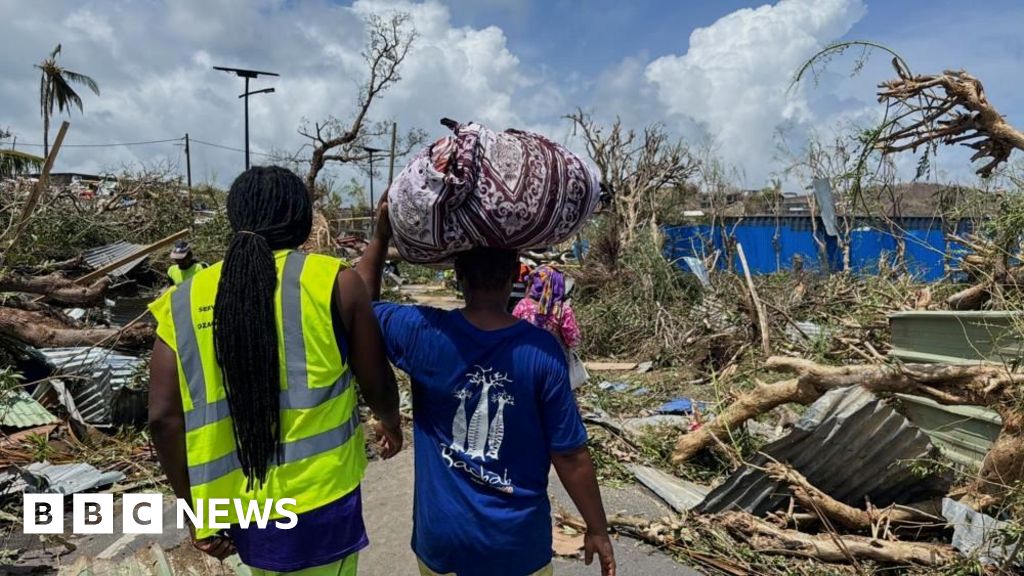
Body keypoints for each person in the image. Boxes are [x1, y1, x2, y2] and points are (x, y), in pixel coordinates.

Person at [148, 167, 402, 575]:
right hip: (322, 498)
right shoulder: (331, 281)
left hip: (240, 507)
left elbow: (163, 420)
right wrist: (390, 421)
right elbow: (377, 382)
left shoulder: (182, 302)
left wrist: (197, 512)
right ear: (302, 220)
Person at [356, 199, 616, 576]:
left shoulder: (423, 332)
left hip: (443, 541)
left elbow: (360, 307)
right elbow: (571, 457)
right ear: (516, 274)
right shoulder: (540, 351)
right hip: (516, 546)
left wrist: (380, 235)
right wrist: (597, 529)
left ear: (458, 274)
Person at [512, 265, 588, 389]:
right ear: (558, 284)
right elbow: (574, 339)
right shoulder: (562, 309)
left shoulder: (523, 305)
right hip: (555, 362)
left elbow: (512, 332)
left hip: (526, 361)